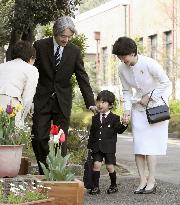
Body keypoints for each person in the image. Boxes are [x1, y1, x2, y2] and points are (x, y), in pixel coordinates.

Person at [32, 16, 96, 174]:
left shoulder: (74, 51)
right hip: (42, 99)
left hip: (62, 102)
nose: (66, 39)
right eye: (63, 36)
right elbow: (32, 72)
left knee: (60, 140)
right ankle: (44, 171)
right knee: (39, 137)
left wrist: (90, 102)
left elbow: (82, 77)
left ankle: (57, 173)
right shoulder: (40, 46)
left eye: (69, 36)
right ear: (55, 33)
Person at [112, 37, 172, 194]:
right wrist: (126, 110)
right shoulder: (121, 68)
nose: (122, 60)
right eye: (119, 57)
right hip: (137, 108)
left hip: (156, 107)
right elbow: (126, 91)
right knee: (139, 146)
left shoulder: (149, 63)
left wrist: (150, 97)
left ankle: (152, 180)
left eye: (123, 57)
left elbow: (166, 82)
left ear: (132, 53)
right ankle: (142, 180)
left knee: (151, 146)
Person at [87, 90, 128, 195]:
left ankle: (113, 185)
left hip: (109, 147)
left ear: (110, 105)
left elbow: (119, 130)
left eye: (103, 102)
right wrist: (90, 146)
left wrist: (124, 124)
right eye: (99, 102)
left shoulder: (114, 118)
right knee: (96, 165)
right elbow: (92, 132)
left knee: (110, 167)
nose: (100, 104)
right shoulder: (95, 118)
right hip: (97, 147)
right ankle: (95, 187)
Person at [0, 40, 39, 127]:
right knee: (10, 137)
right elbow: (27, 98)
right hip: (10, 103)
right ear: (31, 58)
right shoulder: (31, 69)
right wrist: (21, 119)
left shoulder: (2, 66)